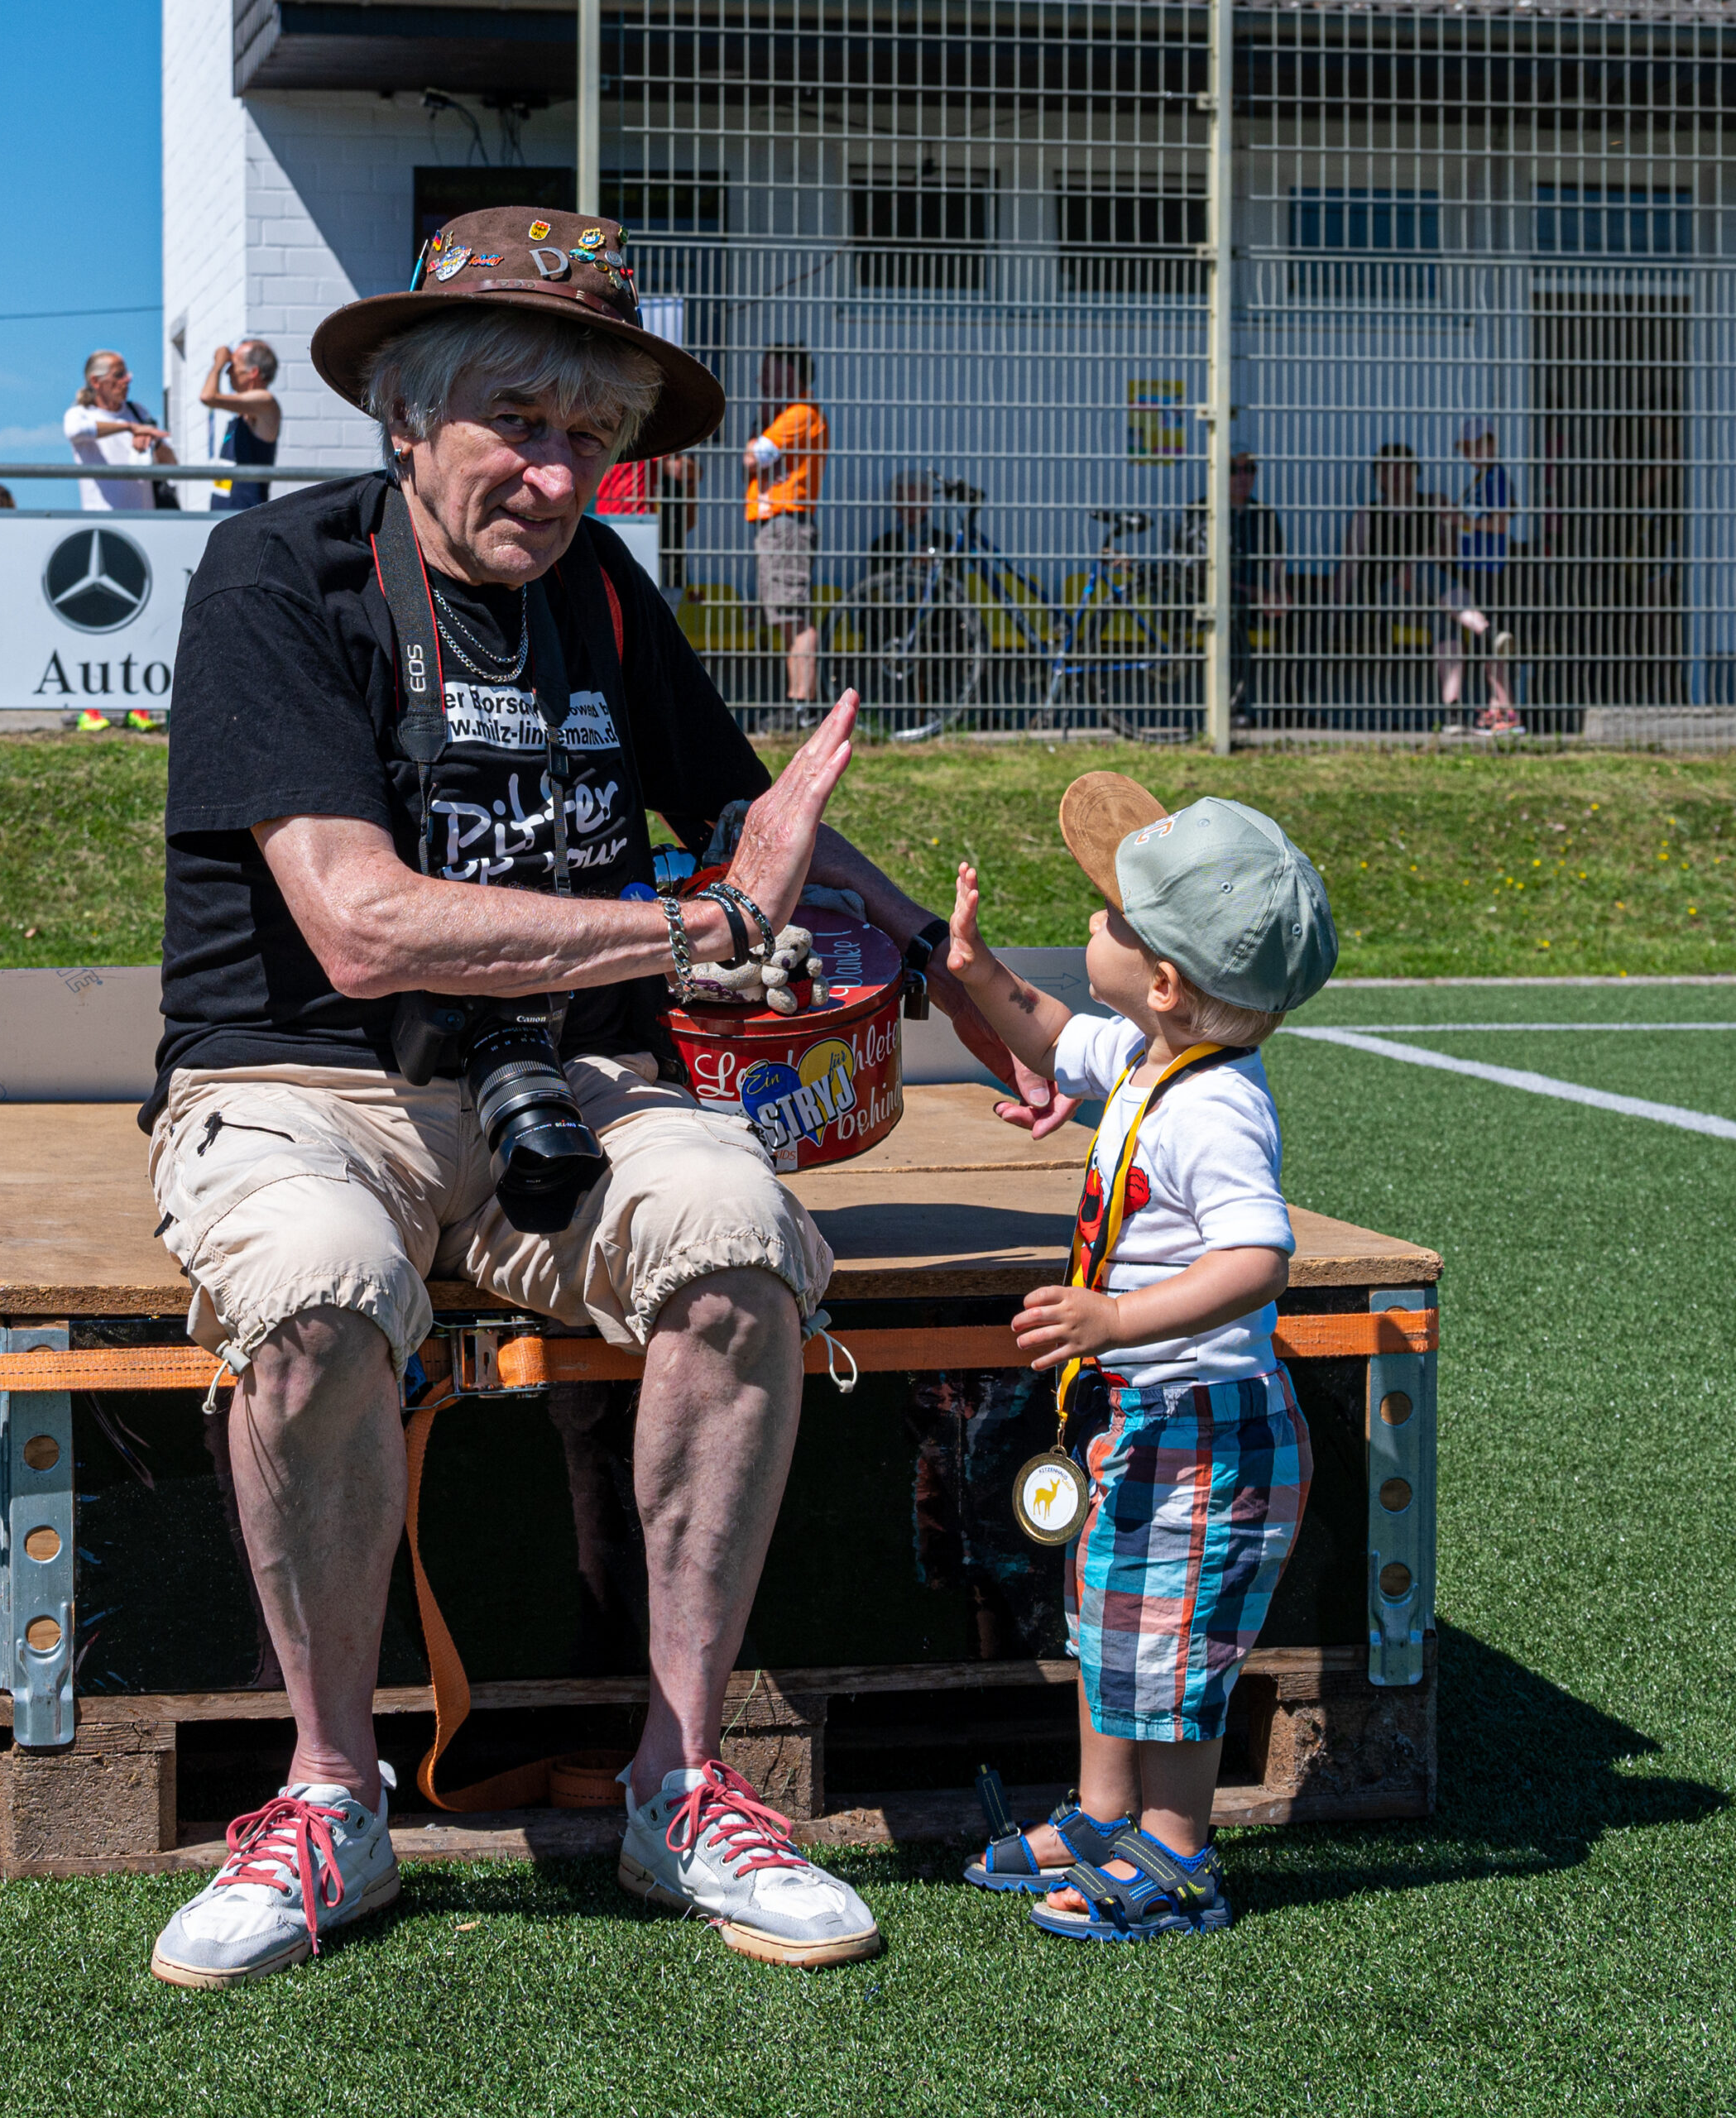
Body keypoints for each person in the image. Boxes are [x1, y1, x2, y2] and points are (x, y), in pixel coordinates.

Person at [137, 206, 1072, 1991]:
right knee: (318, 1282)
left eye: (590, 436)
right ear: (405, 415)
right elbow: (358, 924)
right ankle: (330, 1793)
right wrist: (690, 926)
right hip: (303, 1080)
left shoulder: (604, 593)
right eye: (516, 421)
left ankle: (679, 1780)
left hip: (573, 1077)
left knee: (737, 1234)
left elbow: (745, 826)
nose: (559, 475)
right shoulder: (277, 576)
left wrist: (953, 976)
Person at [943, 769, 1336, 1941]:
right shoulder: (1150, 1054)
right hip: (1148, 1416)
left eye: (1115, 918)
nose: (1092, 920)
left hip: (1209, 1428)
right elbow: (1050, 1033)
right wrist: (977, 974)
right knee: (1113, 1621)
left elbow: (1258, 1258)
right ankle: (1103, 1817)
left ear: (1163, 983)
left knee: (1172, 1649)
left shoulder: (1213, 1108)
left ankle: (1176, 1855)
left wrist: (1117, 1320)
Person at [1332, 443, 1451, 700]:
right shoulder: (1367, 515)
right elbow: (1349, 566)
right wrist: (1334, 612)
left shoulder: (1434, 505)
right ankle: (1481, 628)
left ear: (1415, 472)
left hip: (1432, 596)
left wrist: (1415, 564)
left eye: (1402, 467)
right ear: (1378, 476)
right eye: (1387, 469)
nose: (1395, 474)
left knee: (1445, 617)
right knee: (1444, 611)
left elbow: (1450, 549)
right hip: (1388, 599)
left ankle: (1452, 705)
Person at [745, 344, 828, 708]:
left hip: (786, 523)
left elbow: (752, 458)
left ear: (790, 374)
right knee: (786, 615)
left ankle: (801, 705)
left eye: (769, 370)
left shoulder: (799, 413)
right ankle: (798, 703)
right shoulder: (789, 414)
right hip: (778, 522)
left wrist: (756, 435)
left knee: (793, 614)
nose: (760, 379)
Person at [1177, 451, 1287, 716]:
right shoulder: (1200, 512)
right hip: (1208, 600)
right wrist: (1255, 592)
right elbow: (1198, 572)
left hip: (1256, 600)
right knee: (1231, 609)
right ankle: (1232, 706)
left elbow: (1277, 564)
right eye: (1234, 470)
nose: (1242, 477)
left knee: (1307, 613)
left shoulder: (1264, 515)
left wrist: (1278, 593)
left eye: (1249, 469)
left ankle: (1292, 705)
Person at [1444, 421, 1518, 731]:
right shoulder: (1481, 478)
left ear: (1491, 444)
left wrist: (1459, 520)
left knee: (1492, 641)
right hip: (1474, 567)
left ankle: (1506, 711)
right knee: (1486, 641)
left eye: (1477, 445)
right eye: (1466, 447)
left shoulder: (1496, 478)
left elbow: (1500, 525)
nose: (1471, 453)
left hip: (1488, 569)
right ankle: (1497, 708)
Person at [63, 351, 174, 510]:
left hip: (144, 518)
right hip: (102, 519)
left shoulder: (138, 411)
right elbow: (74, 431)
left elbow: (172, 463)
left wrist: (154, 442)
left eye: (126, 374)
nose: (128, 380)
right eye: (119, 375)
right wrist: (128, 427)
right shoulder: (80, 414)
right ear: (96, 381)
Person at [595, 450, 698, 593]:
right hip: (638, 521)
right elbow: (679, 470)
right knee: (641, 586)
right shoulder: (646, 444)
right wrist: (693, 469)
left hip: (605, 518)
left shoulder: (610, 446)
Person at [200, 339, 282, 510]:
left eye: (233, 365)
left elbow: (208, 397)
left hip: (246, 514)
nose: (228, 371)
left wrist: (218, 365)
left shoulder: (265, 402)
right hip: (225, 513)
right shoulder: (242, 414)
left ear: (253, 372)